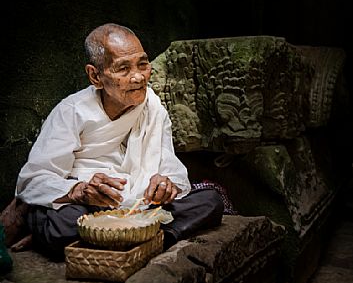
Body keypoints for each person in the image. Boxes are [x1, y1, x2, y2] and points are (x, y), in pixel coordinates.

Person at [12, 23, 224, 259]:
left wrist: (166, 185)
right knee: (63, 226)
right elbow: (34, 179)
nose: (138, 76)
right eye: (123, 68)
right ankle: (146, 239)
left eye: (143, 64)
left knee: (210, 201)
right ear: (96, 76)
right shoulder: (71, 112)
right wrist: (79, 190)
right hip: (90, 207)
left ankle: (139, 240)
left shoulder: (153, 107)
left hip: (139, 207)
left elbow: (170, 168)